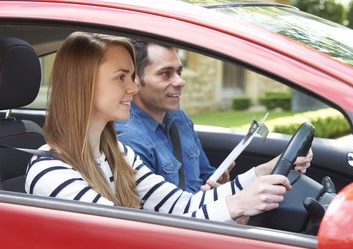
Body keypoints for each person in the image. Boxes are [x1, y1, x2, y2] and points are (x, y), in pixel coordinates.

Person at [25, 31, 309, 223]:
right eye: (121, 77)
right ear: (82, 85)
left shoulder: (117, 154)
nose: (134, 87)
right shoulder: (51, 172)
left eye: (133, 76)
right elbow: (125, 238)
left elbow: (182, 207)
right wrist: (236, 205)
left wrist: (259, 175)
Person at [115, 39, 311, 193]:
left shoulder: (179, 119)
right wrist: (261, 173)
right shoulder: (128, 138)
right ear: (135, 80)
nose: (180, 81)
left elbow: (204, 175)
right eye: (166, 74)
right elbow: (165, 214)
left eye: (179, 72)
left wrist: (219, 182)